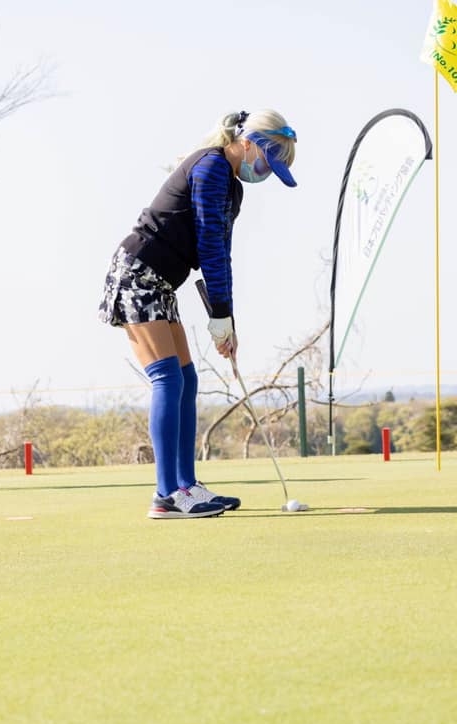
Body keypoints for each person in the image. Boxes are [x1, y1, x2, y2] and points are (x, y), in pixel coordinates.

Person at [99, 109, 297, 519]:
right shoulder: (210, 168)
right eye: (266, 163)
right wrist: (219, 316)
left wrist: (225, 319)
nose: (263, 174)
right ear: (248, 144)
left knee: (187, 378)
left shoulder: (232, 186)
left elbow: (220, 254)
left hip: (161, 281)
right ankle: (166, 496)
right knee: (167, 377)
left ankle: (186, 485)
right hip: (137, 273)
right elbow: (207, 244)